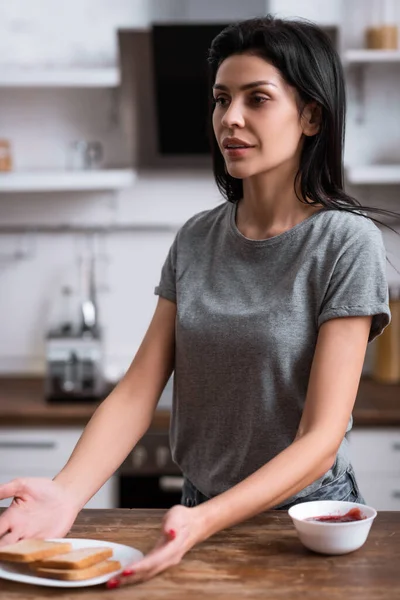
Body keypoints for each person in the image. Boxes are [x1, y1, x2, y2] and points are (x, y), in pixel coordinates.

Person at [0, 15, 394, 588]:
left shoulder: (345, 242)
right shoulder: (196, 238)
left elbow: (320, 441)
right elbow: (138, 391)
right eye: (220, 99)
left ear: (311, 116)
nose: (229, 118)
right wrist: (66, 493)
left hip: (304, 523)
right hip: (196, 508)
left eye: (257, 98)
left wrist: (203, 521)